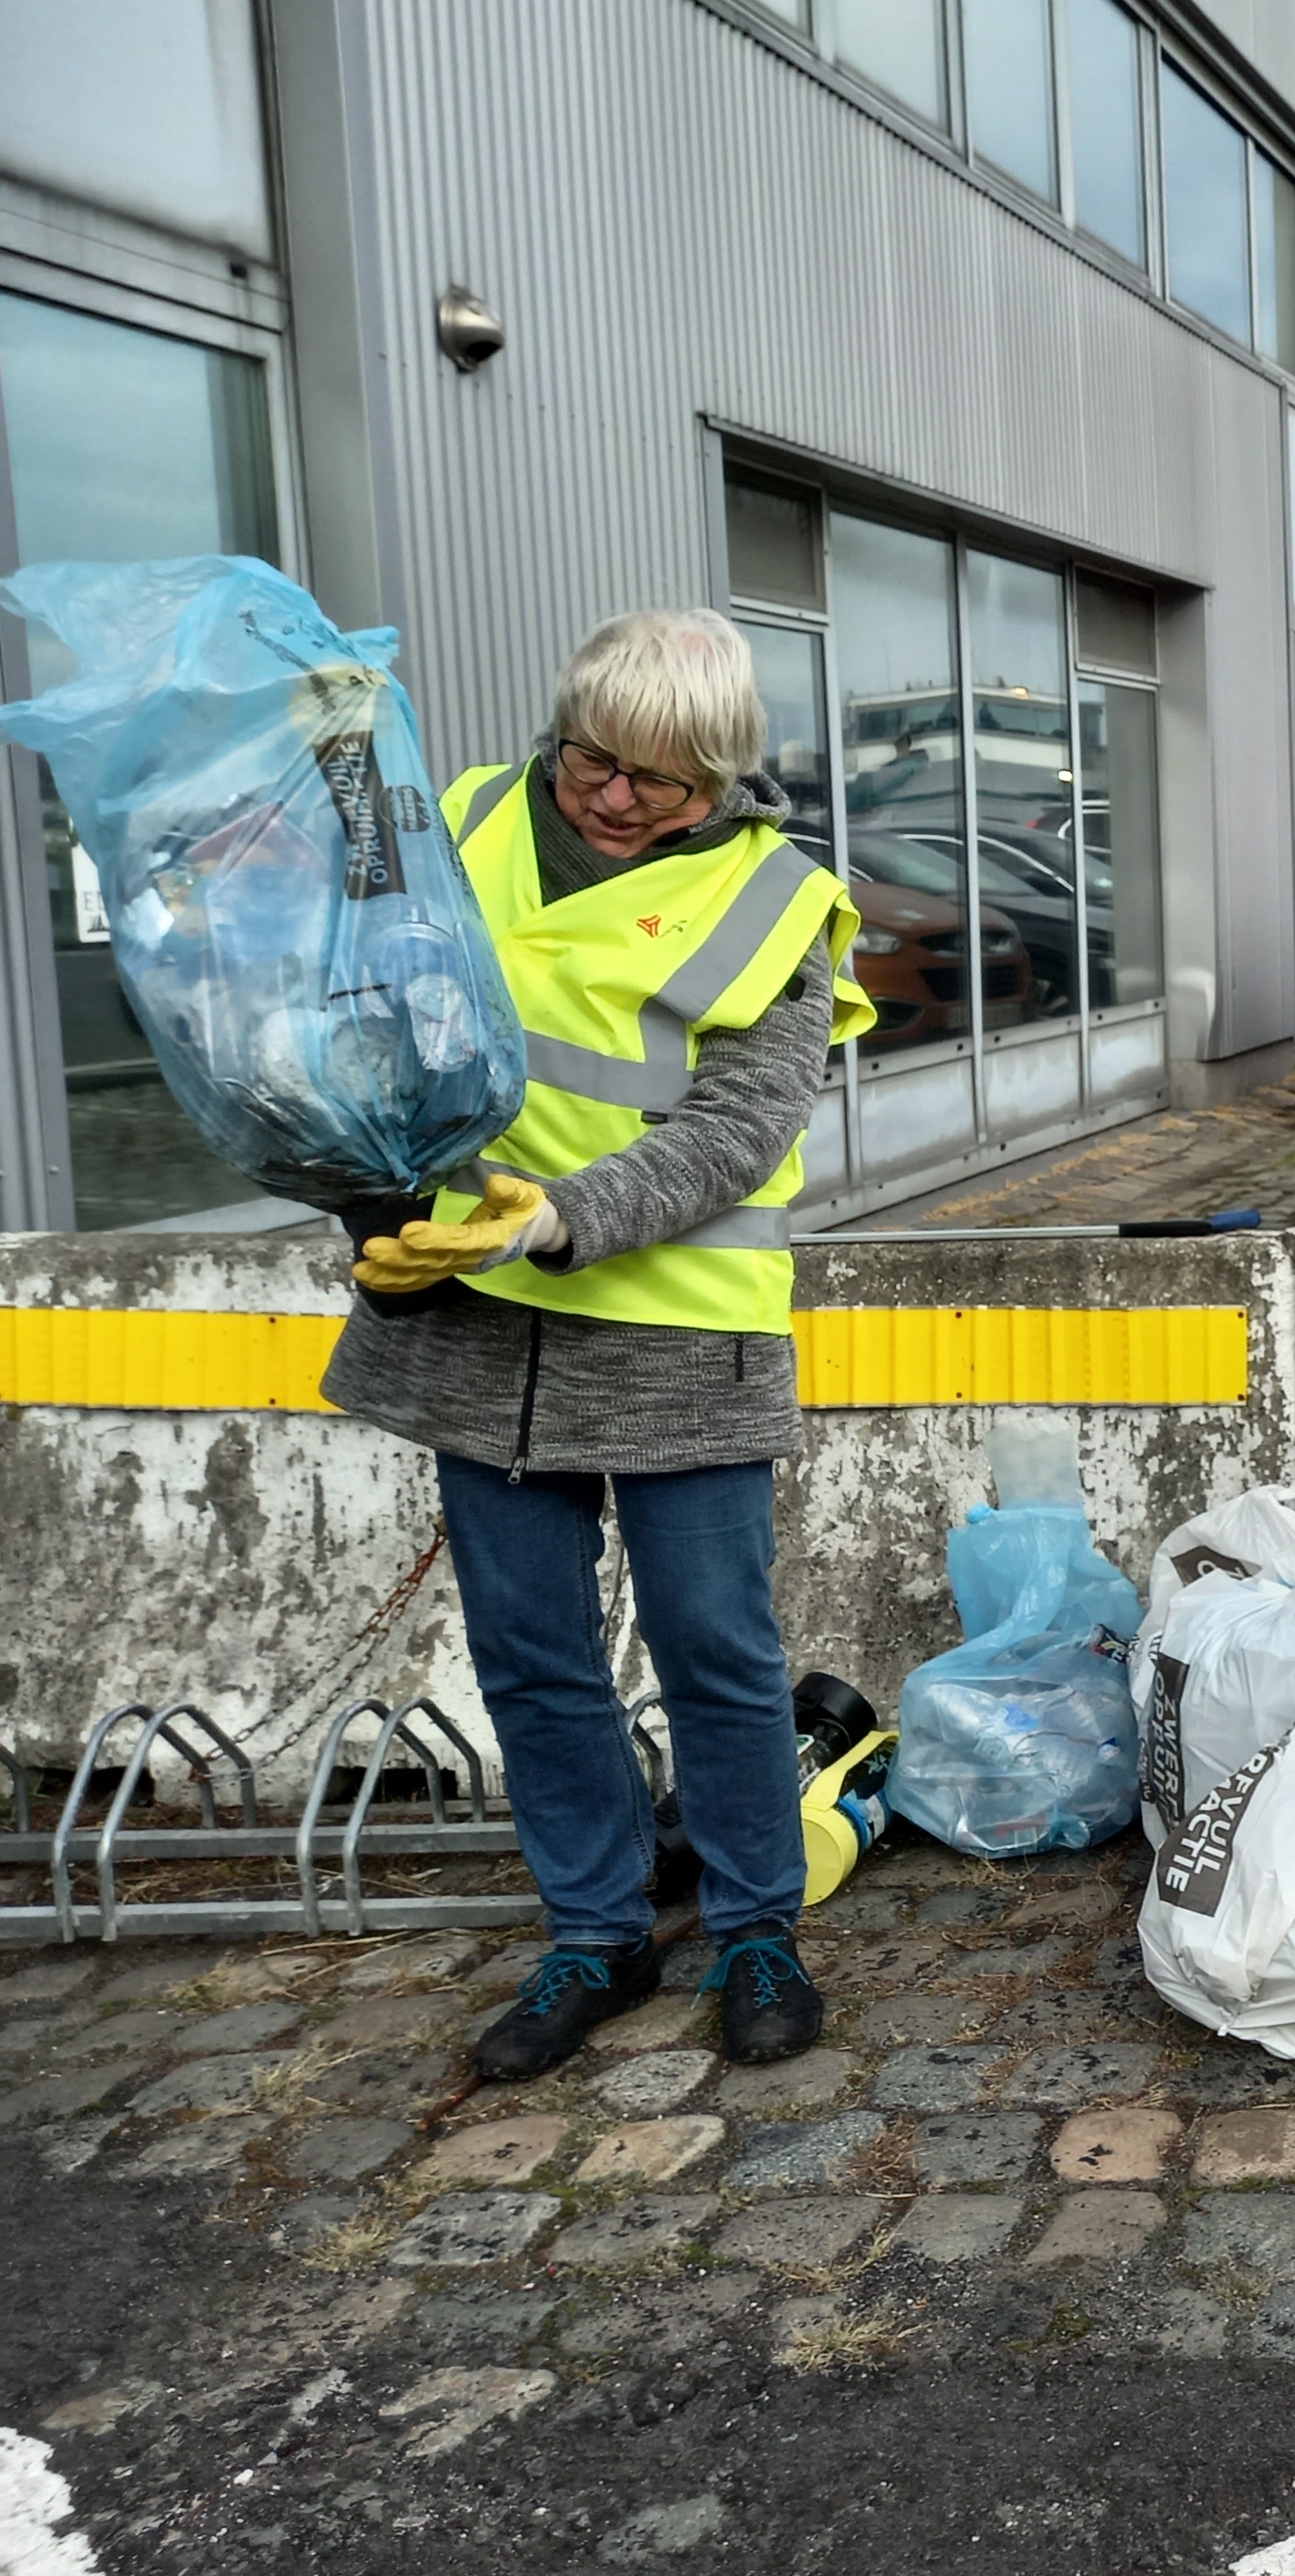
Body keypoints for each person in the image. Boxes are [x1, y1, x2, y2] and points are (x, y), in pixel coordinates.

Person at [324, 610, 873, 2079]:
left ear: (722, 778)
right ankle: (598, 1932)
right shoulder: (470, 820)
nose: (613, 798)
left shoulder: (778, 901)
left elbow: (736, 1130)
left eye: (660, 781)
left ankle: (757, 1927)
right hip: (474, 1317)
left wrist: (556, 1217)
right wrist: (337, 769)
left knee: (716, 1648)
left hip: (676, 1326)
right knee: (528, 1647)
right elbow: (362, 977)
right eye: (591, 758)